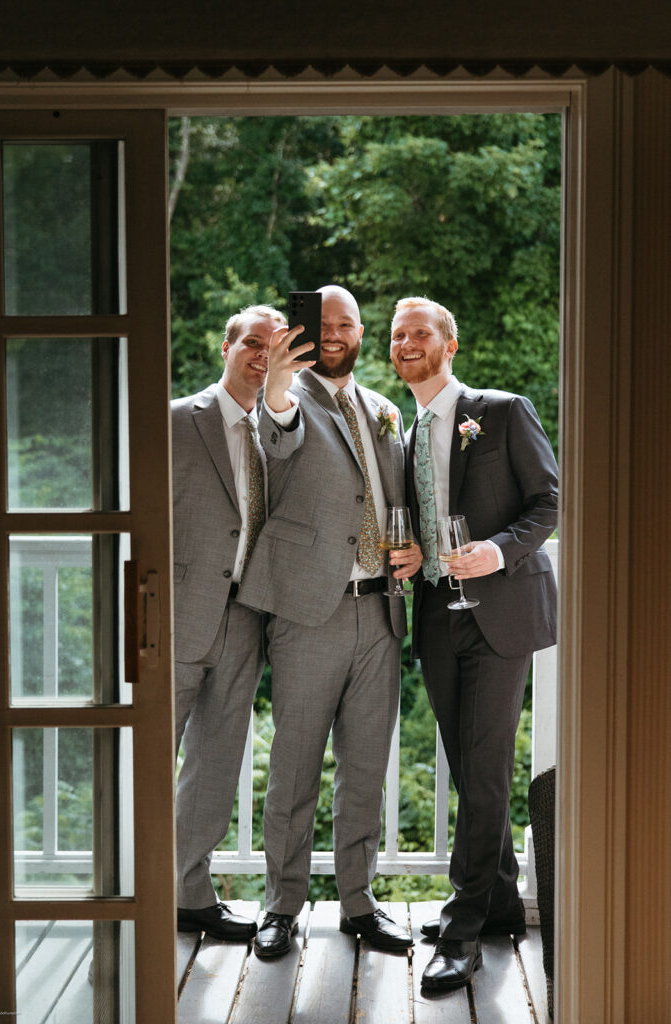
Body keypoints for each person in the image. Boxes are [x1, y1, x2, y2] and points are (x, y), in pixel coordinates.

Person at [238, 285, 422, 958]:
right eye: (325, 324)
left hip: (379, 610)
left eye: (347, 323)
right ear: (306, 331)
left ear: (362, 332)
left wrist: (415, 548)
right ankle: (280, 907)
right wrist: (280, 380)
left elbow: (395, 496)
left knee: (364, 768)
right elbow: (278, 436)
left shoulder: (381, 409)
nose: (337, 333)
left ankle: (358, 903)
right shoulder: (285, 398)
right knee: (294, 766)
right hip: (308, 615)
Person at [389, 296, 558, 990]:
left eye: (420, 333)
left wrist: (496, 551)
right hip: (436, 612)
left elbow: (547, 500)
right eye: (397, 335)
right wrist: (407, 556)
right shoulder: (401, 433)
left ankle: (460, 933)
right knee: (466, 766)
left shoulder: (500, 409)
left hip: (500, 610)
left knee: (484, 768)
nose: (407, 343)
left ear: (449, 345)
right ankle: (497, 904)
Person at [172, 303, 286, 942]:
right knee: (146, 757)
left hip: (246, 616)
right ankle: (127, 885)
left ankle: (190, 892)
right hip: (173, 615)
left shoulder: (286, 430)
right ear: (226, 347)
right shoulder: (172, 420)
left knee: (216, 760)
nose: (260, 354)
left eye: (273, 346)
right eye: (250, 342)